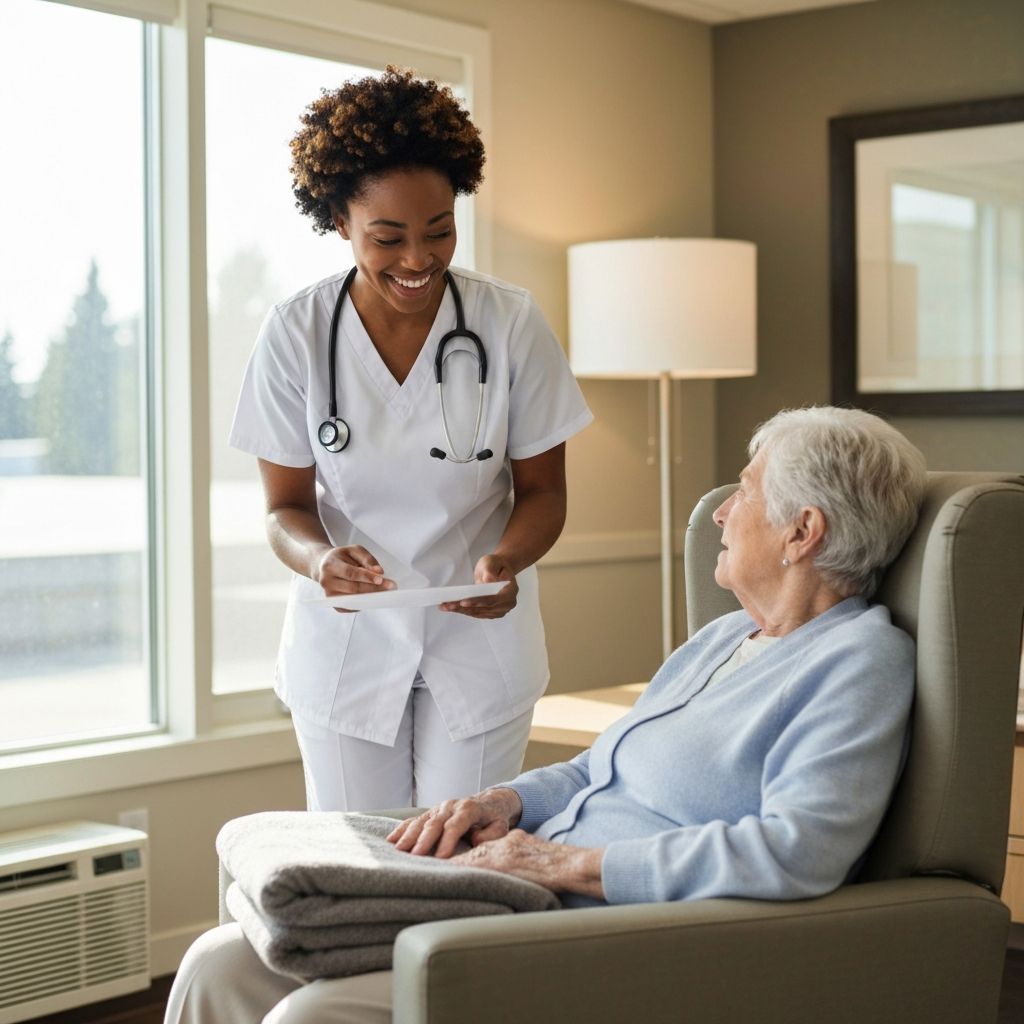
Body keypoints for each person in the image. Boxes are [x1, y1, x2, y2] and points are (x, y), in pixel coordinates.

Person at [166, 406, 928, 1023]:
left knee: (313, 1016)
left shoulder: (859, 661)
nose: (723, 512)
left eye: (746, 490)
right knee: (220, 964)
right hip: (519, 894)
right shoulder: (724, 639)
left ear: (804, 532)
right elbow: (602, 769)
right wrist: (506, 801)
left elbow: (798, 851)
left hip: (613, 933)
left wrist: (568, 865)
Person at [228, 67, 592, 813]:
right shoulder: (296, 334)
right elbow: (283, 509)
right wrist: (319, 558)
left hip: (479, 640)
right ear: (339, 223)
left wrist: (507, 560)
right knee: (358, 867)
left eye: (440, 231)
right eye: (387, 238)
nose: (419, 260)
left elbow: (545, 492)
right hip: (348, 644)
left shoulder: (511, 325)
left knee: (464, 865)